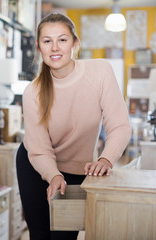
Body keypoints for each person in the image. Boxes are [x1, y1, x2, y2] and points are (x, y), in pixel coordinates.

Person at [16, 13, 131, 240]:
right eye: (47, 41)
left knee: (63, 237)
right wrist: (53, 175)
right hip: (35, 166)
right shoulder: (32, 92)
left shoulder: (100, 72)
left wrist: (106, 159)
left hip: (79, 170)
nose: (55, 47)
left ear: (75, 44)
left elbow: (119, 125)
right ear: (39, 46)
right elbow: (39, 149)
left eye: (62, 39)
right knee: (39, 235)